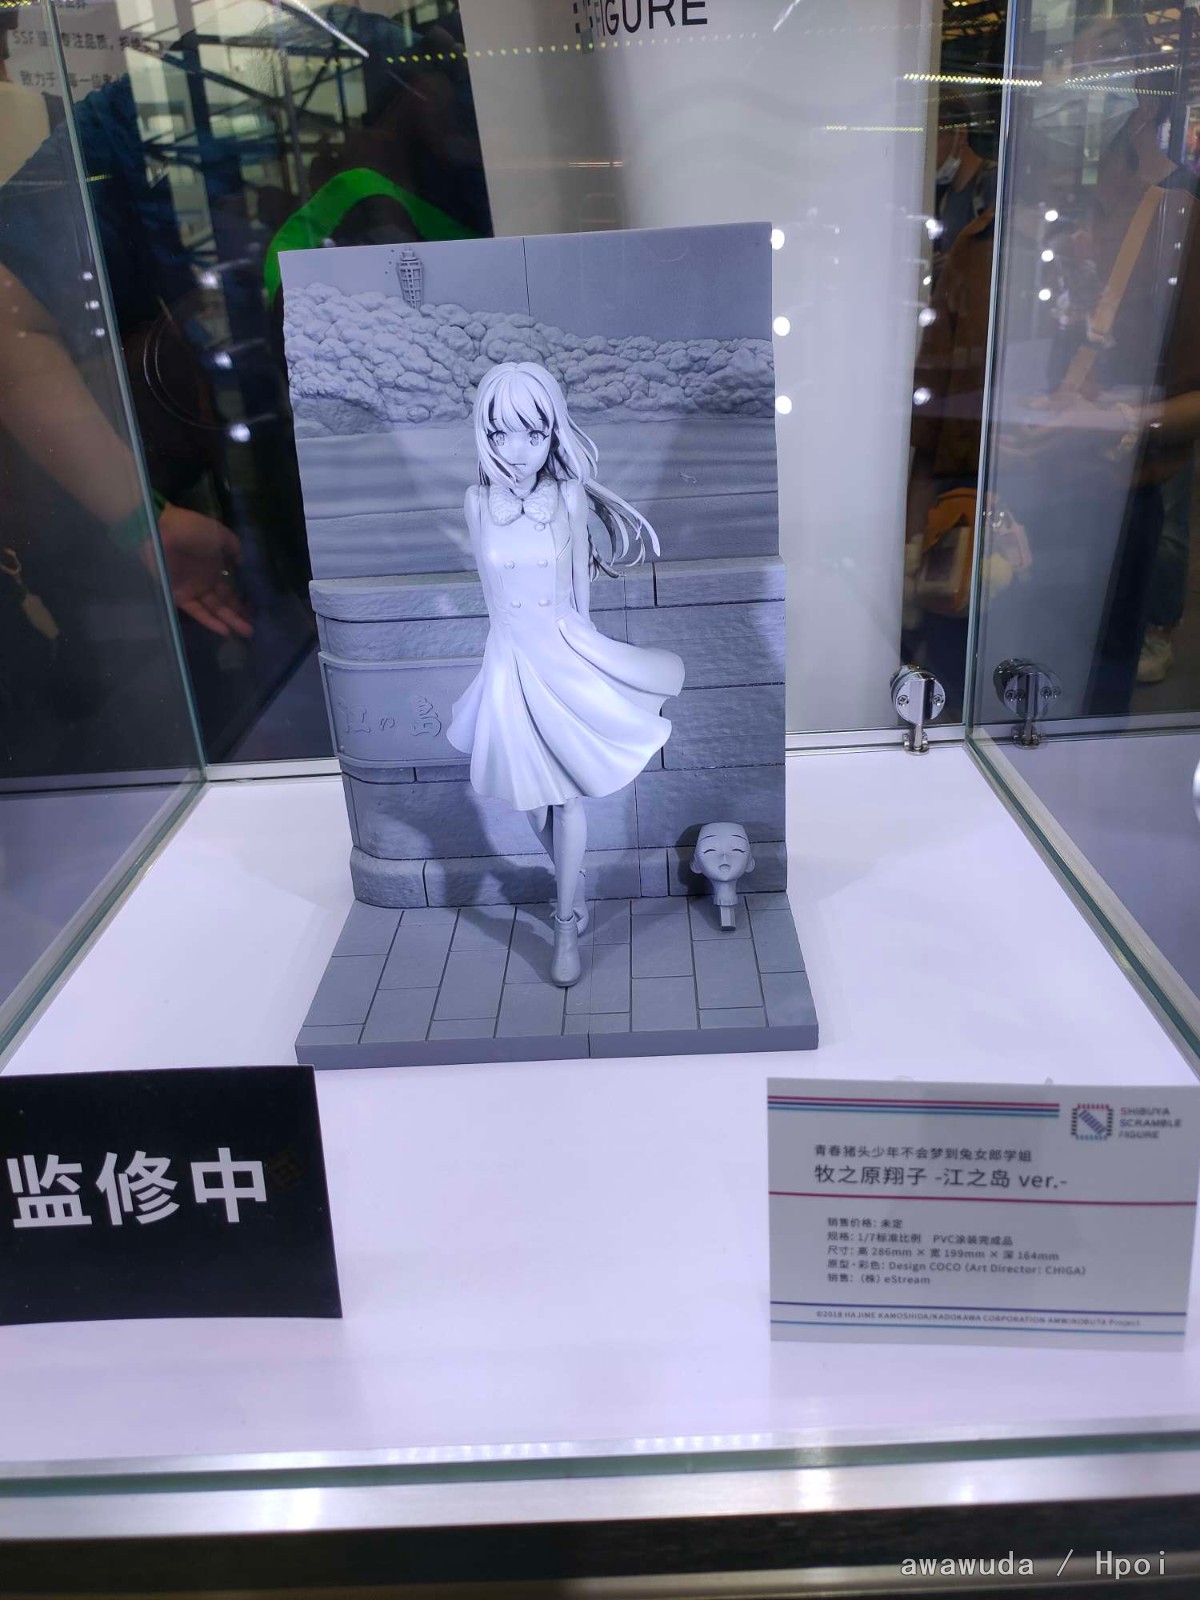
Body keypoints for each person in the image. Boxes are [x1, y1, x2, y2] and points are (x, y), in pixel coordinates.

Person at [447, 363, 685, 987]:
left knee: (567, 795)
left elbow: (581, 596)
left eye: (532, 433)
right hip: (509, 660)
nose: (516, 450)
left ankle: (564, 923)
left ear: (552, 433)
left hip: (561, 651)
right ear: (484, 437)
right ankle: (569, 883)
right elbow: (491, 599)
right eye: (500, 434)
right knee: (530, 797)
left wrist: (592, 665)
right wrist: (498, 665)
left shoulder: (571, 497)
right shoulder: (476, 503)